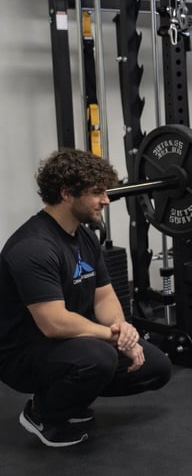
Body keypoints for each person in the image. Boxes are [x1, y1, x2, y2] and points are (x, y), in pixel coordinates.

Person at [0, 148, 172, 447]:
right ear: (66, 194)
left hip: (68, 343)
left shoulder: (85, 236)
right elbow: (53, 323)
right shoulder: (33, 247)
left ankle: (70, 399)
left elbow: (104, 296)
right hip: (22, 353)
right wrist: (112, 338)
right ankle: (42, 414)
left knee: (156, 367)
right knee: (98, 358)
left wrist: (122, 329)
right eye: (97, 193)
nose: (106, 200)